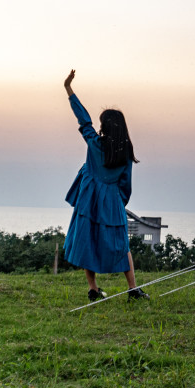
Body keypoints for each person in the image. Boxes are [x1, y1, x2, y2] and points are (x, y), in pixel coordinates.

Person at [62, 70, 149, 302]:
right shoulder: (125, 154)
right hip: (112, 201)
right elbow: (126, 186)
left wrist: (69, 90)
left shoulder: (94, 143)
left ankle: (93, 288)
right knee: (121, 244)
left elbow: (84, 120)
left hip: (88, 199)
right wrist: (117, 202)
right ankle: (132, 289)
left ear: (105, 127)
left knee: (87, 241)